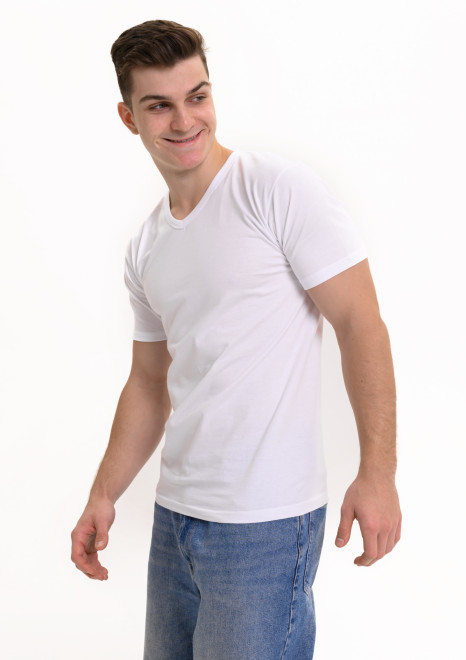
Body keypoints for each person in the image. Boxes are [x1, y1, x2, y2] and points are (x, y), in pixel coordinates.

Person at [71, 19, 402, 659]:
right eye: (159, 105)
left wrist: (378, 473)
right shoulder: (147, 245)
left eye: (197, 96)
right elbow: (149, 383)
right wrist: (103, 493)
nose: (185, 120)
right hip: (175, 519)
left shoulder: (276, 190)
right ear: (128, 117)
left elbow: (361, 322)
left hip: (266, 527)